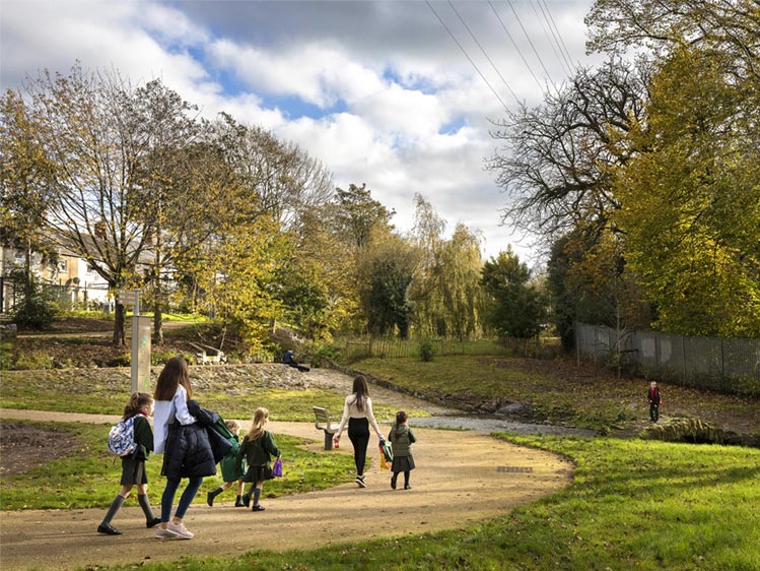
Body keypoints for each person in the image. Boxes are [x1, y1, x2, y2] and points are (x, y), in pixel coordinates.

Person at [153, 356, 218, 540]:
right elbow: (183, 417)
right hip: (184, 438)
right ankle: (177, 522)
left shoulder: (161, 391)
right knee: (196, 480)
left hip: (170, 439)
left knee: (172, 483)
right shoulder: (179, 390)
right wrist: (197, 418)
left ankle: (164, 525)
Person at [97, 392, 161, 535]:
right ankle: (105, 523)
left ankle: (150, 518)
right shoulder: (141, 421)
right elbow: (149, 442)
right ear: (145, 407)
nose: (153, 410)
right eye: (152, 406)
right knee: (126, 489)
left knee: (142, 486)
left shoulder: (130, 418)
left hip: (131, 457)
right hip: (134, 458)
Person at [334, 375, 385, 488]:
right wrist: (379, 434)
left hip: (352, 426)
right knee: (362, 451)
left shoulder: (348, 399)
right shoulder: (366, 400)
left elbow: (345, 417)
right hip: (362, 425)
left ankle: (360, 474)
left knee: (357, 451)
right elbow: (371, 418)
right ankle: (360, 475)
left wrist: (339, 433)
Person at [237, 407, 280, 512]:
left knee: (257, 481)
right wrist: (278, 453)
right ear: (265, 419)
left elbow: (242, 451)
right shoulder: (265, 434)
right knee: (260, 482)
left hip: (252, 462)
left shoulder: (249, 435)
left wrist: (238, 463)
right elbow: (271, 448)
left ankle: (248, 496)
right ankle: (255, 504)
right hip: (262, 462)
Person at [206, 419, 246, 507]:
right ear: (234, 430)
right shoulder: (231, 439)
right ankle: (239, 499)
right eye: (238, 430)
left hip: (228, 464)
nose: (239, 432)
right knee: (240, 480)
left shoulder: (226, 439)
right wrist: (243, 444)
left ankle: (214, 494)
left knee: (232, 483)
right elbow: (237, 451)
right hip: (234, 464)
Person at [388, 410, 416, 490]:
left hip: (396, 452)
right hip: (406, 452)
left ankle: (394, 477)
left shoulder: (393, 429)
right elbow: (413, 439)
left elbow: (389, 439)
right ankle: (406, 484)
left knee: (396, 468)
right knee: (407, 469)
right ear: (406, 420)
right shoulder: (407, 429)